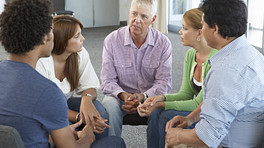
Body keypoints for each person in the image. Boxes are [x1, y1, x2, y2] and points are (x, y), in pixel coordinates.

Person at [0, 0, 126, 148]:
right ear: (43, 38)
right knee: (116, 142)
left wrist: (61, 133)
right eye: (51, 30)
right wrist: (86, 137)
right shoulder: (48, 91)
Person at [165, 0, 264, 147]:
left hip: (227, 144)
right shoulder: (252, 55)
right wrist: (190, 119)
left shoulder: (226, 71)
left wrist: (178, 136)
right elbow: (218, 100)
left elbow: (207, 136)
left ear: (215, 29)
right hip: (246, 135)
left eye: (204, 25)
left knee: (172, 140)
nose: (202, 30)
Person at [137, 8, 217, 148]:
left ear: (199, 33)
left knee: (165, 116)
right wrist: (160, 98)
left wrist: (162, 104)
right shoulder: (191, 55)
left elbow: (197, 103)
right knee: (156, 113)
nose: (180, 32)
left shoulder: (215, 59)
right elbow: (186, 94)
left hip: (209, 115)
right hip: (196, 110)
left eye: (185, 28)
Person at [100, 0, 172, 137]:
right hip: (120, 97)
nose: (136, 20)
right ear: (129, 13)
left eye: (144, 16)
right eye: (134, 14)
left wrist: (144, 96)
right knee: (108, 105)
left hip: (150, 97)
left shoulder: (163, 43)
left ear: (153, 19)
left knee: (160, 109)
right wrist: (124, 95)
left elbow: (164, 83)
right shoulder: (112, 40)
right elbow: (107, 81)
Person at [36, 15, 109, 139]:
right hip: (46, 111)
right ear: (62, 41)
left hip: (64, 103)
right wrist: (80, 117)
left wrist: (86, 100)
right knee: (66, 127)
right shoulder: (42, 62)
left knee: (98, 112)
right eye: (77, 36)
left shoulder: (79, 53)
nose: (83, 38)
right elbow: (46, 107)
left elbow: (90, 85)